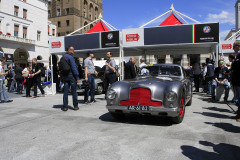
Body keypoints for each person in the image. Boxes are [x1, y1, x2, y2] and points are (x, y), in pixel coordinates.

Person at [61, 46, 79, 111]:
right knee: (74, 91)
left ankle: (65, 106)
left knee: (65, 92)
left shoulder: (62, 57)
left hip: (65, 77)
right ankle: (75, 106)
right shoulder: (71, 58)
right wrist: (77, 77)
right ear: (69, 50)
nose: (73, 51)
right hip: (72, 76)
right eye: (73, 50)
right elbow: (74, 68)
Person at [232, 41, 240, 122]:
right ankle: (238, 113)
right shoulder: (237, 56)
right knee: (238, 98)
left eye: (234, 47)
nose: (233, 49)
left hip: (239, 80)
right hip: (236, 81)